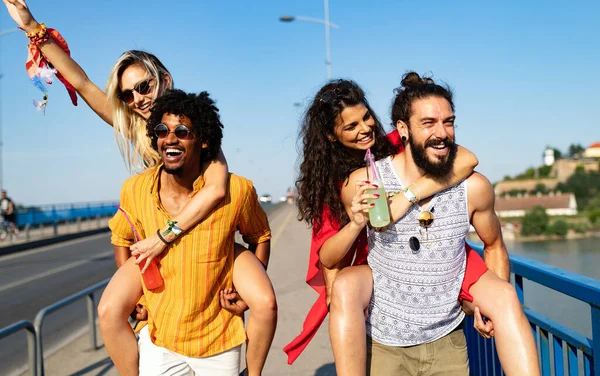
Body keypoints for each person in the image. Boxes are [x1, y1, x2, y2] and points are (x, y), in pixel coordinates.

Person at [3, 1, 277, 375]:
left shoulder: (194, 128)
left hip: (205, 235)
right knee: (109, 308)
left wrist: (163, 237)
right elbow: (81, 82)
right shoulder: (136, 128)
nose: (138, 100)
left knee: (261, 302)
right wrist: (32, 26)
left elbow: (215, 193)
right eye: (128, 95)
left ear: (163, 78)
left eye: (143, 87)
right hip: (157, 243)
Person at [338, 72, 539, 375]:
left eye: (448, 122)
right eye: (428, 123)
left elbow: (494, 244)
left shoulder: (474, 188)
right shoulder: (365, 183)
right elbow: (338, 253)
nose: (442, 132)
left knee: (508, 297)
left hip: (448, 345)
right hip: (384, 346)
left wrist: (489, 303)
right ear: (403, 129)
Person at [284, 79, 487, 365]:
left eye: (366, 117)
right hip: (372, 266)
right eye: (350, 126)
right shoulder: (330, 185)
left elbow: (467, 158)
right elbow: (328, 256)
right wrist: (337, 292)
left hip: (423, 256)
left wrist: (406, 197)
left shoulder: (390, 145)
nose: (365, 128)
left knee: (493, 297)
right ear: (331, 135)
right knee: (346, 290)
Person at [105, 89, 272, 375]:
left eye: (182, 131)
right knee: (106, 311)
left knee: (267, 304)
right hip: (161, 338)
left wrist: (246, 293)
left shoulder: (237, 190)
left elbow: (260, 236)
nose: (170, 138)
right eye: (162, 130)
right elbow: (121, 238)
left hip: (219, 339)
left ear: (204, 141)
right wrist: (138, 298)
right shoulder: (134, 189)